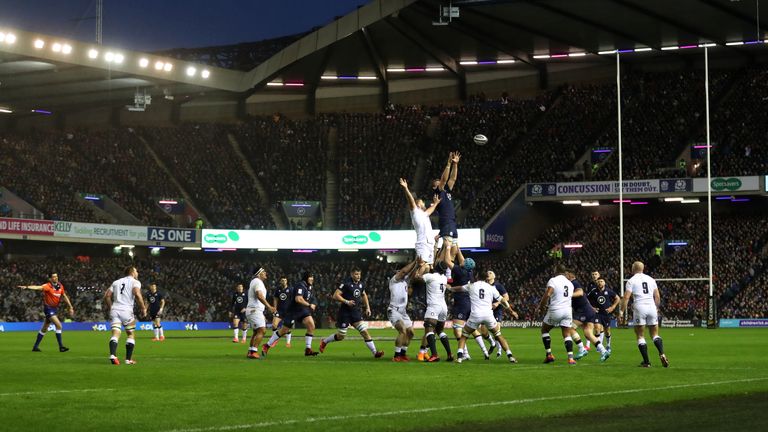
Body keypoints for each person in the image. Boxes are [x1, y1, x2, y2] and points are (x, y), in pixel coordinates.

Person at [449, 269, 518, 363]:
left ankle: (460, 358)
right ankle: (510, 356)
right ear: (486, 278)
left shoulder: (471, 286)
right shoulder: (492, 288)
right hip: (488, 315)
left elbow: (457, 289)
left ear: (477, 277)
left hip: (475, 315)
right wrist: (511, 311)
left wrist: (448, 287)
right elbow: (503, 301)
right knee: (498, 335)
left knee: (464, 335)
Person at [320, 268, 384, 358]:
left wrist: (368, 308)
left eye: (359, 274)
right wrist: (347, 302)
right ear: (352, 274)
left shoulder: (361, 284)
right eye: (356, 274)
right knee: (341, 336)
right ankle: (324, 341)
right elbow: (335, 295)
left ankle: (375, 353)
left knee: (364, 332)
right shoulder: (346, 283)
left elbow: (364, 295)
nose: (358, 276)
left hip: (355, 312)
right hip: (345, 313)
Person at [621, 261, 669, 368]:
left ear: (633, 269)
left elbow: (626, 297)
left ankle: (646, 362)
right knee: (655, 334)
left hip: (639, 307)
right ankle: (662, 353)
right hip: (651, 306)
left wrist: (621, 311)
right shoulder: (651, 279)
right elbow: (657, 296)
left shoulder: (631, 281)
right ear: (643, 269)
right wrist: (656, 308)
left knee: (640, 335)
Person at [263, 271, 320, 357]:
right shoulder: (300, 285)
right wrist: (309, 304)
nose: (312, 278)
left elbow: (312, 297)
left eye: (312, 277)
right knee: (284, 331)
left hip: (303, 310)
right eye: (310, 277)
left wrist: (314, 303)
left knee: (311, 325)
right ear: (306, 278)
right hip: (293, 311)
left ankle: (308, 349)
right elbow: (298, 299)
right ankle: (267, 345)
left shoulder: (309, 287)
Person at [18, 272, 74, 352]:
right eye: (54, 277)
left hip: (54, 309)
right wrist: (27, 287)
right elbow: (37, 287)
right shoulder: (47, 286)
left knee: (44, 328)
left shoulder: (60, 286)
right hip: (48, 308)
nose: (56, 278)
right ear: (50, 279)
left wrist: (70, 306)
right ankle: (61, 346)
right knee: (59, 325)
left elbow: (64, 296)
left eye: (56, 276)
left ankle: (35, 347)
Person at [104, 266, 147, 365]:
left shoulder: (116, 282)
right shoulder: (135, 282)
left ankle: (113, 355)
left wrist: (111, 307)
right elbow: (137, 294)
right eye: (136, 271)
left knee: (115, 333)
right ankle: (128, 360)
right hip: (126, 310)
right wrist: (143, 308)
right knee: (130, 334)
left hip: (115, 309)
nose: (137, 273)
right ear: (132, 272)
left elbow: (107, 296)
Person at [536, 264, 577, 365]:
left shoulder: (553, 280)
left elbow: (548, 294)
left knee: (545, 329)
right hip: (567, 311)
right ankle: (571, 358)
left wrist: (541, 306)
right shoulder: (570, 284)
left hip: (556, 310)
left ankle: (549, 354)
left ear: (556, 270)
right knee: (566, 333)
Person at [399, 178, 440, 275]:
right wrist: (406, 188)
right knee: (422, 266)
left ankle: (422, 284)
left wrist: (436, 203)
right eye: (422, 202)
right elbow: (411, 200)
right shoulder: (415, 212)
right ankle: (414, 282)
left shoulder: (424, 214)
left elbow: (431, 209)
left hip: (429, 244)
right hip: (422, 244)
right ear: (418, 205)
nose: (424, 203)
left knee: (429, 267)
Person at [566, 271, 610, 362]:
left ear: (570, 275)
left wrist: (568, 295)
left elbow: (581, 292)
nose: (564, 276)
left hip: (584, 311)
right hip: (588, 311)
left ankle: (582, 349)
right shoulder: (571, 283)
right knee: (588, 334)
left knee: (570, 328)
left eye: (566, 275)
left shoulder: (574, 283)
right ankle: (604, 351)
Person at [417, 258, 451, 362]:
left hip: (433, 306)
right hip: (443, 307)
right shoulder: (444, 278)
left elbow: (416, 277)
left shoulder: (430, 276)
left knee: (429, 330)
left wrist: (421, 266)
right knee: (440, 331)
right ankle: (449, 354)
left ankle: (434, 354)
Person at [387, 261, 418, 362]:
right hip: (394, 310)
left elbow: (412, 274)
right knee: (402, 331)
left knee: (411, 333)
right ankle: (396, 356)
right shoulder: (394, 280)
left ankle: (403, 354)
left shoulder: (405, 281)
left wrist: (418, 264)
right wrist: (415, 261)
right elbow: (405, 271)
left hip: (403, 312)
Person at [431, 151, 461, 253]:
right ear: (435, 187)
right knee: (447, 251)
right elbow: (444, 180)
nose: (440, 183)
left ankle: (448, 269)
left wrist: (455, 164)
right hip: (446, 222)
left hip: (452, 222)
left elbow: (453, 178)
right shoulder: (437, 192)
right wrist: (448, 164)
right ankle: (442, 268)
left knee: (454, 252)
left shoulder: (446, 190)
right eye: (438, 183)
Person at [246, 267, 276, 359]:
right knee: (262, 330)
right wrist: (269, 306)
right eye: (264, 272)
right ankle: (253, 351)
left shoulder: (254, 281)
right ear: (259, 274)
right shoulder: (258, 282)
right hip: (255, 310)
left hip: (252, 310)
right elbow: (259, 295)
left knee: (256, 332)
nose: (265, 273)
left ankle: (250, 350)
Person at [587, 277, 619, 352]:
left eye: (601, 281)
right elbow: (586, 299)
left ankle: (608, 345)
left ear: (604, 283)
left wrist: (613, 307)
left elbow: (617, 298)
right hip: (597, 314)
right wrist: (592, 308)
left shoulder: (609, 291)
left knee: (607, 331)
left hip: (606, 314)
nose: (600, 283)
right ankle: (599, 346)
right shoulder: (593, 291)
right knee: (597, 328)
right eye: (598, 281)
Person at [270, 276, 293, 348]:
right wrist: (275, 308)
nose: (284, 282)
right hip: (279, 311)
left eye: (285, 280)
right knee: (274, 325)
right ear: (280, 281)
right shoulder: (278, 289)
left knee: (287, 328)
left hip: (288, 311)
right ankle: (275, 340)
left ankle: (288, 342)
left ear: (287, 281)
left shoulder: (291, 289)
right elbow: (275, 299)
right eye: (282, 280)